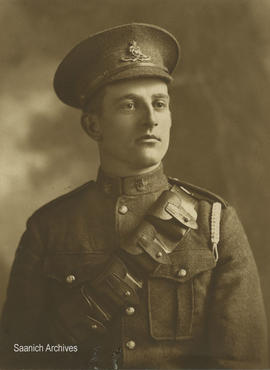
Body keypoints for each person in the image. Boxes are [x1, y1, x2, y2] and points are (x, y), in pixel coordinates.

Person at [0, 23, 268, 370]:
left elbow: (240, 361)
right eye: (129, 105)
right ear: (93, 125)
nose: (150, 120)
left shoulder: (214, 223)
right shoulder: (49, 229)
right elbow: (20, 355)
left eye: (159, 103)